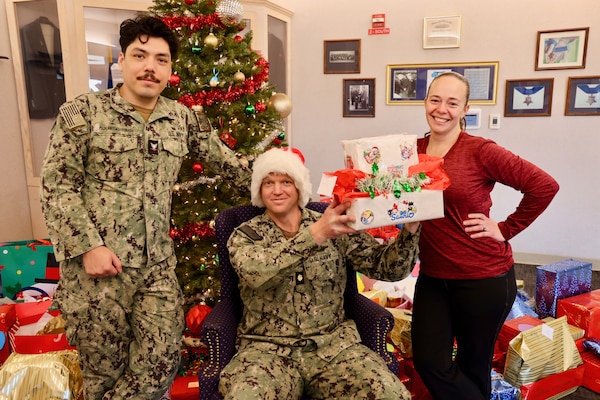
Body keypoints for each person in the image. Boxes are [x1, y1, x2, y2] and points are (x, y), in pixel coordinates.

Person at [39, 15, 250, 400]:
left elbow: (231, 167)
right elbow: (57, 187)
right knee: (103, 372)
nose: (150, 67)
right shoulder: (84, 113)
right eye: (140, 55)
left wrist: (288, 181)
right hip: (97, 275)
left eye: (161, 59)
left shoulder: (183, 118)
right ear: (122, 60)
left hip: (157, 269)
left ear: (170, 69)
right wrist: (89, 247)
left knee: (161, 362)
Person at [219, 147, 421, 400]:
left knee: (389, 393)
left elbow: (387, 269)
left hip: (334, 350)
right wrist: (316, 234)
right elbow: (256, 274)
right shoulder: (245, 235)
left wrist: (410, 231)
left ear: (299, 187)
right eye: (268, 182)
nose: (277, 190)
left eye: (286, 182)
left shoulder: (334, 226)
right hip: (266, 353)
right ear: (259, 190)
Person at [411, 71, 559, 400]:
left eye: (452, 102)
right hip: (433, 275)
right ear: (425, 103)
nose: (442, 109)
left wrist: (505, 229)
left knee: (472, 365)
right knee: (429, 361)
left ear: (465, 109)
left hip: (482, 277)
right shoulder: (412, 151)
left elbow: (544, 186)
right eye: (435, 100)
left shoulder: (480, 151)